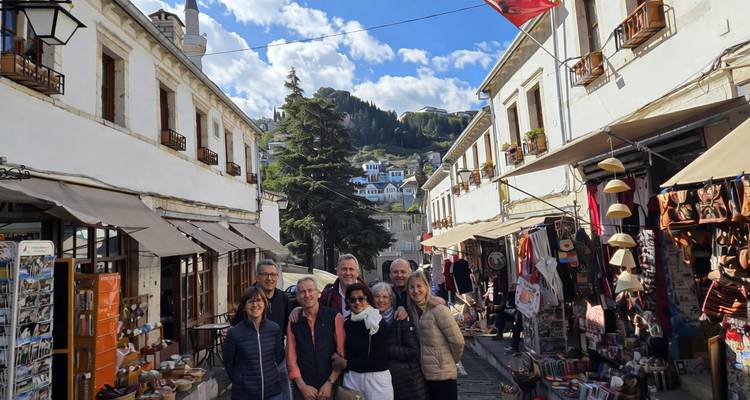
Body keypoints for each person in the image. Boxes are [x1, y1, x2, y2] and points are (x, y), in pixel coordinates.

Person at [407, 271, 464, 400]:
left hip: (443, 375)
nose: (416, 291)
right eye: (412, 287)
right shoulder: (414, 311)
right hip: (426, 375)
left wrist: (447, 361)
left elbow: (458, 341)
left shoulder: (439, 309)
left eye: (419, 286)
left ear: (426, 287)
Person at [332, 282, 393, 400]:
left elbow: (379, 360)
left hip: (376, 379)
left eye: (361, 298)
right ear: (348, 303)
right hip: (352, 378)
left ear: (368, 300)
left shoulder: (377, 322)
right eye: (352, 300)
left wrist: (346, 364)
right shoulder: (347, 324)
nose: (357, 302)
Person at [286, 277, 345, 400]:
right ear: (297, 296)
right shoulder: (294, 322)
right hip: (303, 388)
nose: (307, 295)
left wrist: (330, 383)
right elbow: (291, 359)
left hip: (330, 385)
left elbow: (341, 355)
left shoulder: (334, 317)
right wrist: (302, 386)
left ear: (318, 293)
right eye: (302, 292)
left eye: (310, 290)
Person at [224, 287, 285, 400]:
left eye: (258, 300)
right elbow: (228, 364)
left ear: (264, 303)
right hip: (244, 394)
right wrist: (241, 381)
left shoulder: (274, 329)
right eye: (250, 301)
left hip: (273, 393)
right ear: (244, 307)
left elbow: (279, 356)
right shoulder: (234, 333)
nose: (255, 305)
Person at [371, 282, 428, 400]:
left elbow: (413, 351)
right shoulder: (369, 320)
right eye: (377, 296)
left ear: (391, 300)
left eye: (385, 297)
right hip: (380, 380)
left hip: (405, 380)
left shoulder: (401, 318)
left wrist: (386, 349)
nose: (381, 300)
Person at [253, 260, 291, 400]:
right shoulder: (250, 298)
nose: (269, 278)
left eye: (273, 274)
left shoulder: (283, 298)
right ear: (257, 277)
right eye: (265, 274)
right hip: (255, 362)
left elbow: (288, 328)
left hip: (279, 361)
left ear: (278, 277)